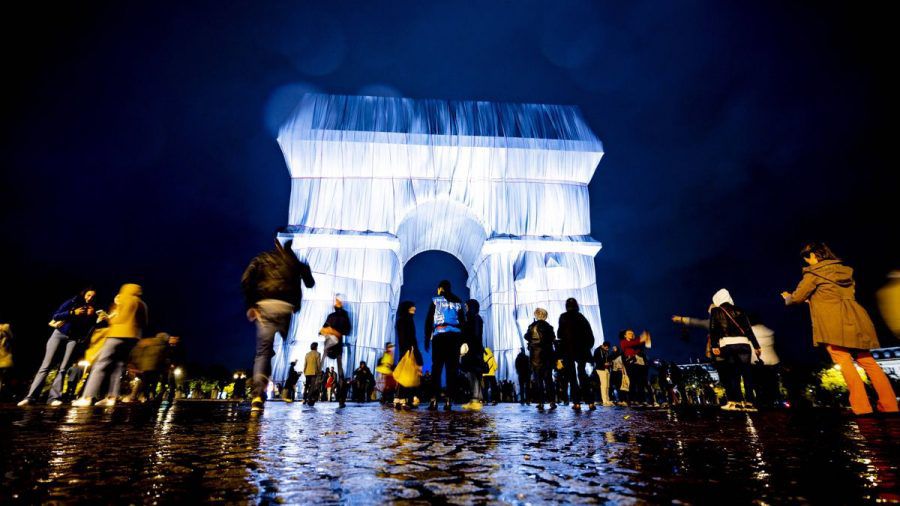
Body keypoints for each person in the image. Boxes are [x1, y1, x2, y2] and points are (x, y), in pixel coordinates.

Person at [782, 241, 898, 416]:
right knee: (868, 361)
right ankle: (890, 405)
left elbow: (797, 298)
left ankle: (862, 407)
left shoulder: (813, 273)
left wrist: (787, 297)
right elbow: (835, 294)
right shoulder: (846, 271)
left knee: (843, 360)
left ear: (813, 255)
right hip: (856, 318)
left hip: (832, 323)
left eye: (806, 258)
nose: (806, 262)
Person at [241, 237, 315, 412]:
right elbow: (310, 283)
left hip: (265, 306)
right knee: (278, 348)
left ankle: (258, 394)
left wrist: (251, 304)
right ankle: (281, 384)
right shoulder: (295, 262)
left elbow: (246, 279)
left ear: (276, 244)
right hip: (285, 308)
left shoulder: (263, 258)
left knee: (263, 352)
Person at [19, 288, 98, 406]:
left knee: (63, 368)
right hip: (59, 334)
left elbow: (89, 329)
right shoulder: (72, 302)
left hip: (73, 339)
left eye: (93, 297)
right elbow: (56, 316)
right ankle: (31, 397)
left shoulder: (92, 310)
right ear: (84, 295)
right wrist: (72, 312)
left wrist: (91, 318)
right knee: (46, 366)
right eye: (88, 295)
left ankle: (54, 398)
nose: (90, 298)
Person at [74, 284, 147, 407]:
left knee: (101, 364)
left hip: (117, 334)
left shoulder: (125, 299)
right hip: (133, 338)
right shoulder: (142, 304)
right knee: (119, 366)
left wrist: (109, 318)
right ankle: (112, 397)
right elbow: (145, 322)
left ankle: (87, 397)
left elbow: (120, 319)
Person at [709, 289, 761, 411]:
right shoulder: (740, 310)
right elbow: (748, 329)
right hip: (744, 343)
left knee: (733, 374)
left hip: (727, 344)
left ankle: (736, 402)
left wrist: (715, 346)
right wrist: (756, 345)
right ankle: (750, 402)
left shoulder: (716, 311)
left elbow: (713, 330)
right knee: (747, 373)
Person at [425, 280, 465, 411]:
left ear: (440, 288)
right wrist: (463, 341)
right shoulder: (458, 301)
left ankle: (434, 400)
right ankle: (449, 401)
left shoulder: (435, 300)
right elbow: (462, 321)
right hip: (454, 337)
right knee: (451, 370)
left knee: (436, 368)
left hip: (439, 335)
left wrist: (427, 338)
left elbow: (429, 319)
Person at [557, 298, 596, 411]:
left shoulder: (563, 317)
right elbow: (590, 335)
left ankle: (576, 403)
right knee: (583, 375)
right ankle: (590, 402)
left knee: (572, 377)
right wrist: (587, 347)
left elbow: (559, 334)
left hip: (568, 351)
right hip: (581, 351)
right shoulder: (581, 317)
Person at [320, 295, 352, 407]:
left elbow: (347, 330)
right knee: (335, 370)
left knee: (340, 373)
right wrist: (326, 331)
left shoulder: (344, 316)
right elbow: (322, 330)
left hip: (335, 346)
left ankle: (341, 399)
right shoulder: (331, 316)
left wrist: (332, 331)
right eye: (336, 301)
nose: (337, 302)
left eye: (339, 301)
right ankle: (311, 398)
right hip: (330, 346)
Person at [526, 307, 556, 412]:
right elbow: (553, 338)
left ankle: (540, 402)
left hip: (535, 356)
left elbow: (526, 336)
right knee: (548, 380)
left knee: (538, 380)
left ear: (536, 315)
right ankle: (552, 401)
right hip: (547, 356)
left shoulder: (532, 326)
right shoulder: (549, 327)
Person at [126, 332, 169, 403]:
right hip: (156, 367)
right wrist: (165, 367)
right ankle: (149, 396)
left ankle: (143, 396)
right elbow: (164, 358)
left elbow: (137, 350)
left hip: (145, 366)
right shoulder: (164, 346)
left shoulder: (149, 341)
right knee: (153, 383)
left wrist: (136, 362)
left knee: (145, 382)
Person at [395, 301, 422, 409]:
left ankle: (400, 399)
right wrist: (412, 350)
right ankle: (404, 400)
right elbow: (410, 337)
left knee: (405, 376)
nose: (414, 308)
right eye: (412, 307)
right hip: (408, 351)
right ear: (407, 308)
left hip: (404, 350)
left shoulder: (402, 320)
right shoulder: (408, 320)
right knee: (407, 376)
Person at [460, 299, 485, 410]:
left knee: (472, 373)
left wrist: (468, 345)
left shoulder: (474, 319)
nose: (466, 308)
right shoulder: (474, 318)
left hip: (472, 350)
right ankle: (478, 398)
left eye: (467, 306)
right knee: (474, 374)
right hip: (474, 349)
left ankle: (475, 399)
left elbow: (474, 334)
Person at [619, 329, 651, 406]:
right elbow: (632, 344)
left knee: (641, 382)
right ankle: (632, 400)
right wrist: (641, 338)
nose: (631, 334)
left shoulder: (636, 341)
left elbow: (648, 345)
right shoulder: (623, 342)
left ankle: (642, 400)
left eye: (632, 333)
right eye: (629, 333)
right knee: (632, 381)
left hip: (639, 363)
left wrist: (646, 338)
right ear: (625, 335)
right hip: (630, 363)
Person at [593, 342, 613, 406]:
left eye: (608, 348)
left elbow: (608, 358)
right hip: (600, 369)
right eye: (606, 348)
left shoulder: (606, 351)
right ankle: (604, 401)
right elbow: (596, 360)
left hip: (607, 369)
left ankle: (607, 399)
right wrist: (603, 363)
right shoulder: (597, 350)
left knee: (607, 385)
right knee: (604, 385)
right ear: (603, 345)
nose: (607, 349)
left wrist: (609, 363)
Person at [0, 322, 13, 397]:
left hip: (4, 355)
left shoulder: (5, 326)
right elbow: (11, 337)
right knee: (3, 377)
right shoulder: (6, 326)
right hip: (4, 355)